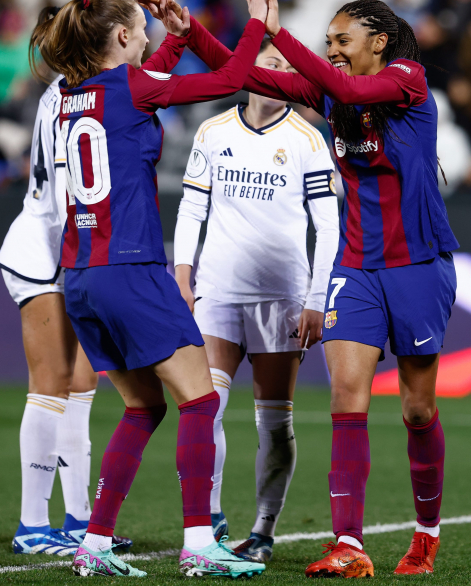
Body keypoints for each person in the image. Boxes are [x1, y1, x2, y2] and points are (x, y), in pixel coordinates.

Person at [151, 0, 459, 577]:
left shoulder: (408, 81)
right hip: (357, 269)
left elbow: (341, 84)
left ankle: (425, 534)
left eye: (342, 37)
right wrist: (191, 36)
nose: (333, 47)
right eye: (328, 39)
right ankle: (349, 543)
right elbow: (247, 75)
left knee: (417, 411)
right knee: (348, 399)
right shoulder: (335, 97)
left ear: (380, 41)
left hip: (419, 266)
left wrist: (276, 29)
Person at [29, 0, 270, 579]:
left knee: (144, 408)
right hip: (129, 266)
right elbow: (233, 79)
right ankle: (199, 543)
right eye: (139, 31)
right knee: (199, 399)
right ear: (119, 41)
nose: (145, 38)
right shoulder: (134, 88)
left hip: (80, 275)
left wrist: (178, 32)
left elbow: (147, 80)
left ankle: (95, 542)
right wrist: (259, 24)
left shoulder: (73, 98)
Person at [170, 28, 340, 563]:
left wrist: (315, 297)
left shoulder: (308, 140)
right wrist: (182, 272)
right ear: (248, 70)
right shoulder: (213, 131)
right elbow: (192, 208)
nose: (280, 73)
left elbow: (328, 225)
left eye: (289, 67)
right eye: (270, 62)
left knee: (274, 421)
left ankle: (264, 528)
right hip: (218, 292)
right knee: (206, 408)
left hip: (281, 298)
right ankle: (212, 517)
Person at [0, 67, 138, 556]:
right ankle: (32, 525)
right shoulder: (73, 95)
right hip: (45, 251)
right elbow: (65, 191)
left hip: (64, 250)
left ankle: (79, 518)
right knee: (52, 385)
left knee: (81, 384)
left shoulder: (67, 88)